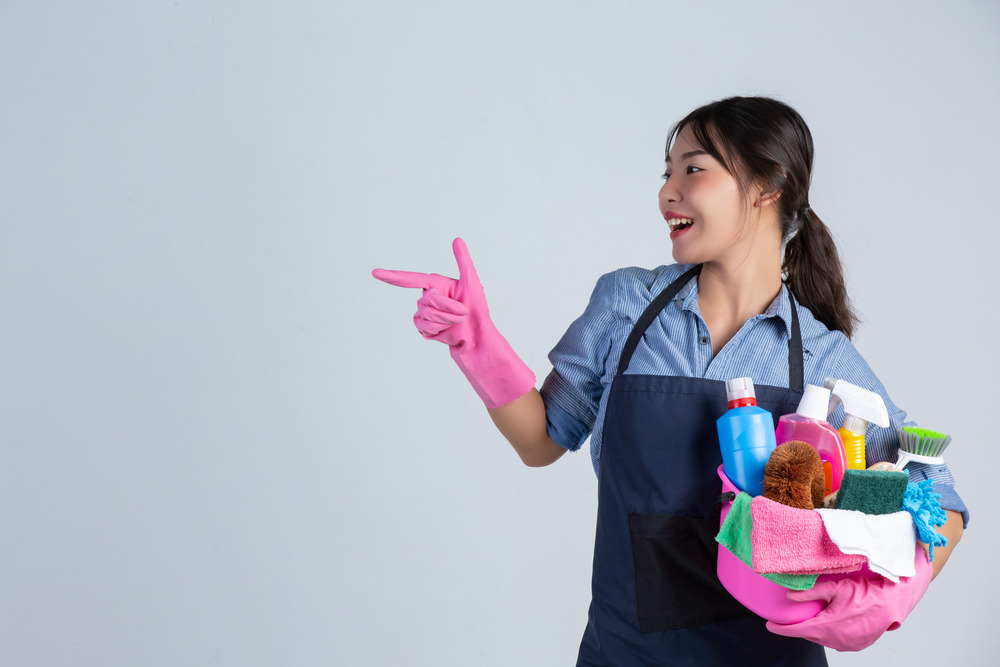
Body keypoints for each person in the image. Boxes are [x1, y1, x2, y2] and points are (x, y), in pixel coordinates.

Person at [373, 96, 967, 666]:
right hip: (626, 655)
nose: (667, 192)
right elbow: (540, 441)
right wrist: (476, 342)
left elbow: (942, 499)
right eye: (667, 173)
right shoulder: (628, 306)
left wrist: (889, 596)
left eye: (694, 170)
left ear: (766, 187)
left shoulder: (820, 356)